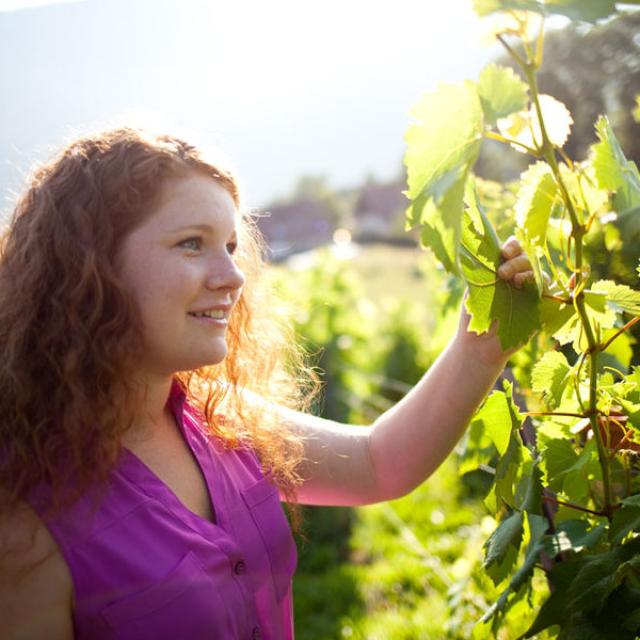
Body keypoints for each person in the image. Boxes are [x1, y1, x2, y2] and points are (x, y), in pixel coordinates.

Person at [0, 127, 535, 640]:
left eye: (231, 246)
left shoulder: (220, 417)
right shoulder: (22, 516)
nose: (232, 276)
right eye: (192, 244)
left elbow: (378, 464)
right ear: (89, 267)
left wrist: (479, 348)